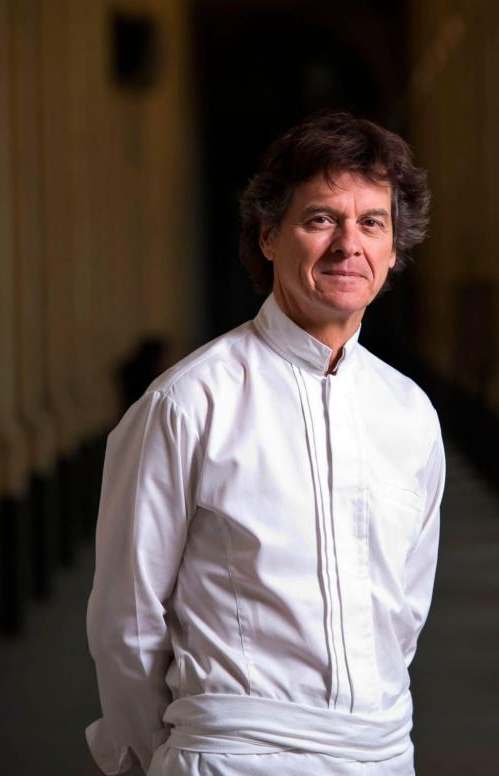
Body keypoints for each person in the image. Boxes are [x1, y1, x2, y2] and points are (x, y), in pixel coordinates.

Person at [86, 112, 445, 775]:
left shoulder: (411, 415)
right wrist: (156, 752)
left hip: (383, 755)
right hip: (232, 757)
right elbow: (127, 623)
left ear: (395, 251)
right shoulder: (187, 403)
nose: (349, 245)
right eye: (320, 220)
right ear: (269, 236)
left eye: (372, 223)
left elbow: (405, 615)